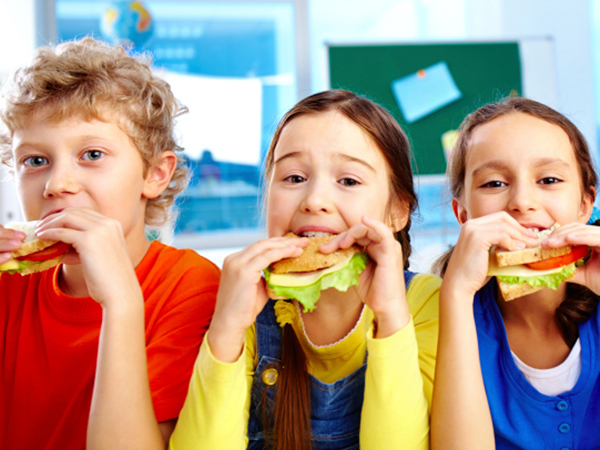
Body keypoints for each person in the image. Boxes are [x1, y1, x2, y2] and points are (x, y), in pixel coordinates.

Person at [169, 89, 441, 450]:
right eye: (294, 178)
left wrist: (391, 317)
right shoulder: (244, 310)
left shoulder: (426, 304)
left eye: (348, 181)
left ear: (398, 212)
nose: (314, 201)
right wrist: (226, 329)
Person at [0, 38, 220, 449]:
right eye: (35, 161)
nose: (57, 184)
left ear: (155, 173)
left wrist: (121, 303)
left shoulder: (189, 286)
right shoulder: (8, 284)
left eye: (93, 154)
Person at [430, 97, 600, 449]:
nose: (522, 201)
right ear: (463, 215)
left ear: (585, 205)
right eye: (494, 184)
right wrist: (457, 296)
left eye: (549, 179)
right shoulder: (436, 315)